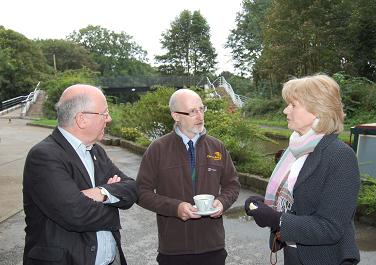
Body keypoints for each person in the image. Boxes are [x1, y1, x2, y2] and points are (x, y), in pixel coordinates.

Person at [244, 74, 360, 265]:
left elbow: (331, 227)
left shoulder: (340, 156)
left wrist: (277, 219)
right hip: (293, 255)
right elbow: (295, 203)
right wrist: (265, 206)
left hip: (325, 259)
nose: (285, 110)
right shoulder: (293, 151)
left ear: (317, 109)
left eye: (293, 105)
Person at [23, 84, 139, 265]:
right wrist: (113, 202)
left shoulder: (96, 152)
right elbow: (78, 214)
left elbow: (131, 187)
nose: (109, 118)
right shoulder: (44, 156)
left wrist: (100, 193)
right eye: (104, 113)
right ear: (82, 119)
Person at [136, 88, 240, 265]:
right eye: (192, 111)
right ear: (176, 116)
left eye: (201, 109)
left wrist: (222, 202)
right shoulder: (158, 149)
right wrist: (175, 208)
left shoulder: (217, 147)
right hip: (174, 250)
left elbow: (232, 185)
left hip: (212, 247)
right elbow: (141, 192)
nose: (200, 116)